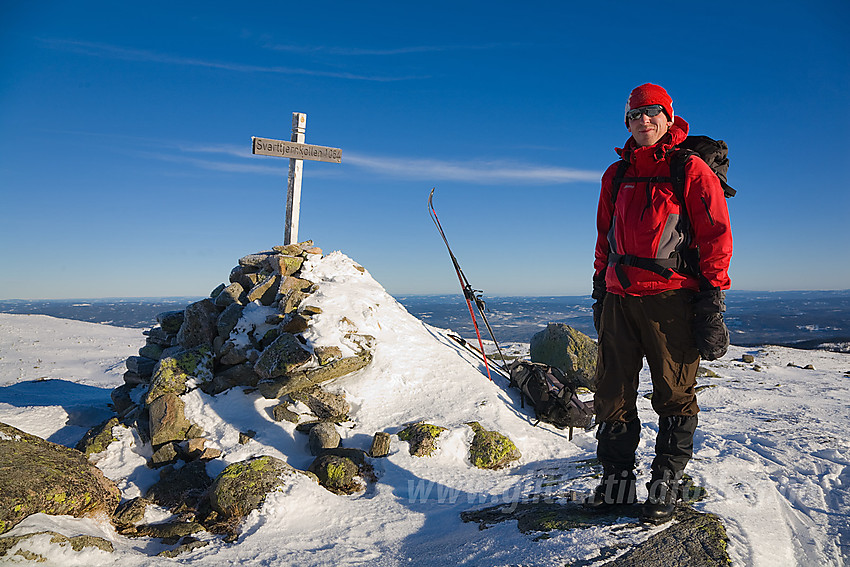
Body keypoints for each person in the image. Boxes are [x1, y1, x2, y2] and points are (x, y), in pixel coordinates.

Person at [584, 83, 733, 524]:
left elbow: (715, 236)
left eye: (652, 112)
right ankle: (616, 487)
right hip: (618, 297)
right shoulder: (615, 174)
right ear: (626, 123)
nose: (643, 121)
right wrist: (599, 288)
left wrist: (711, 302)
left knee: (673, 394)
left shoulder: (688, 168)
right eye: (634, 115)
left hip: (672, 300)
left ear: (669, 117)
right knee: (611, 395)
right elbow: (603, 238)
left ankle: (665, 487)